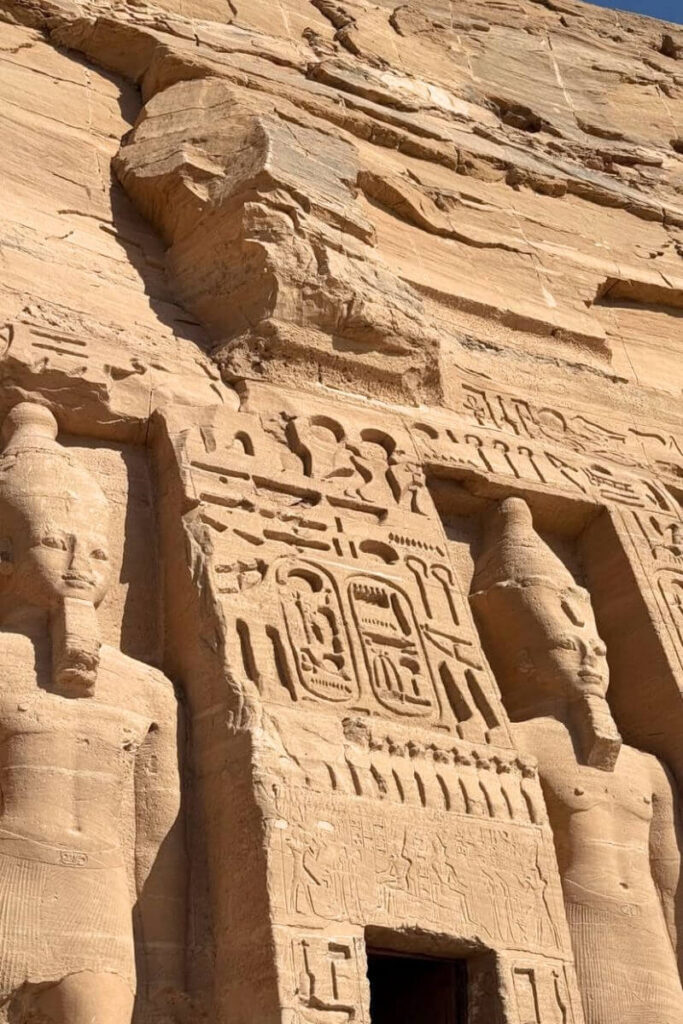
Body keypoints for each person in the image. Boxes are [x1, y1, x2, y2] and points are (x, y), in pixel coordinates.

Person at [0, 403, 185, 1023]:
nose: (81, 566)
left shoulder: (145, 688)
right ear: (5, 552)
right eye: (57, 544)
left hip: (98, 906)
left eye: (100, 554)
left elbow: (157, 842)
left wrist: (170, 972)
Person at [470, 497, 683, 1024]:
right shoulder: (516, 744)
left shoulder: (647, 768)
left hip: (650, 945)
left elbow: (669, 884)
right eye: (569, 647)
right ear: (525, 661)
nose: (591, 661)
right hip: (577, 935)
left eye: (598, 652)